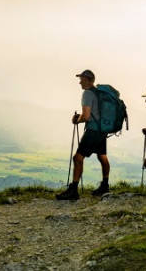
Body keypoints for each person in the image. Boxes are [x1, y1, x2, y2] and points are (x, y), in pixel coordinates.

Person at [56, 69, 110, 200]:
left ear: (86, 79)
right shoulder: (99, 93)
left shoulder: (87, 93)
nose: (79, 82)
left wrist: (76, 120)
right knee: (102, 157)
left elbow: (86, 116)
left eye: (81, 79)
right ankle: (105, 186)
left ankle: (73, 190)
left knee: (78, 158)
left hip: (93, 130)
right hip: (103, 130)